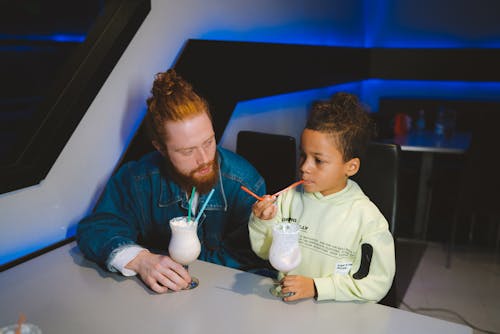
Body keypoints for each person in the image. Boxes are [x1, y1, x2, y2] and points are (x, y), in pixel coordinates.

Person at [77, 69, 268, 293]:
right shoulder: (139, 179)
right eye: (187, 151)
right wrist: (141, 260)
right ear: (160, 148)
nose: (205, 159)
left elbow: (254, 259)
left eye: (208, 142)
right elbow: (96, 228)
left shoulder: (244, 181)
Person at [249, 92, 395, 303]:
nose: (304, 167)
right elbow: (265, 252)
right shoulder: (289, 199)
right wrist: (263, 221)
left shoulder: (367, 218)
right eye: (303, 155)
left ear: (351, 167)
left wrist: (317, 287)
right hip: (286, 307)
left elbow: (377, 284)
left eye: (318, 160)